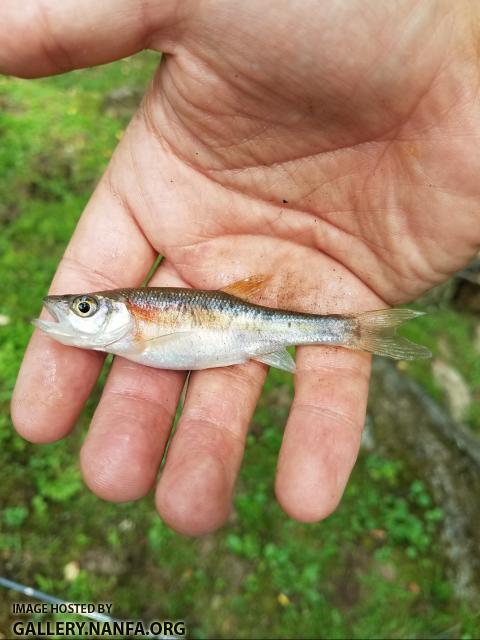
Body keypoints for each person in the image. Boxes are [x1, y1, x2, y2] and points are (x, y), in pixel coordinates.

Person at [5, 0, 480, 536]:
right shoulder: (128, 333)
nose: (77, 310)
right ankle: (351, 331)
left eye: (86, 307)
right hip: (247, 328)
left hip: (248, 326)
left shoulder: (135, 321)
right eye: (84, 307)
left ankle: (352, 331)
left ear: (121, 310)